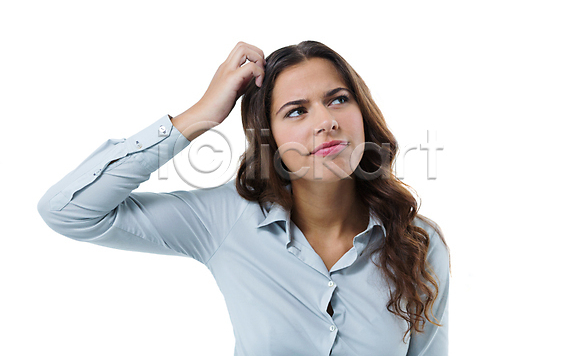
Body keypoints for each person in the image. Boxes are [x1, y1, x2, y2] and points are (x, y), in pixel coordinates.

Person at [38, 41, 450, 355]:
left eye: (338, 99)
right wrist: (201, 114)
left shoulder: (418, 242)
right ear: (268, 138)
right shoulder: (227, 218)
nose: (326, 122)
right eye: (296, 111)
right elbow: (68, 210)